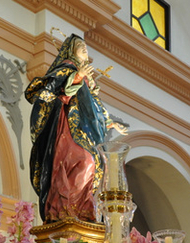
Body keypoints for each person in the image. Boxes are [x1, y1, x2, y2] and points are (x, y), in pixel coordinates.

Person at [26, 34, 127, 223]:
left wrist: (109, 122)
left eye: (85, 46)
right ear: (70, 51)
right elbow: (52, 92)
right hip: (66, 126)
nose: (84, 48)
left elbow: (93, 105)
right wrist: (77, 77)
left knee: (92, 164)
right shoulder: (65, 68)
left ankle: (81, 210)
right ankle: (62, 208)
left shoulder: (88, 77)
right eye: (80, 45)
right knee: (82, 160)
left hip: (83, 129)